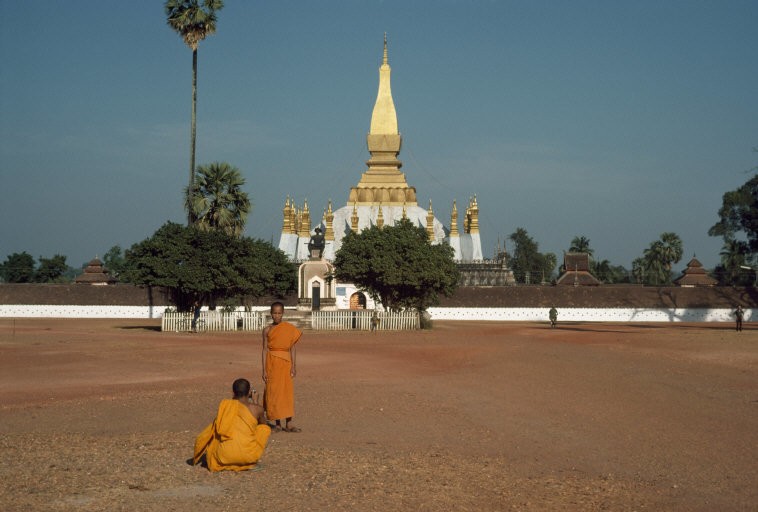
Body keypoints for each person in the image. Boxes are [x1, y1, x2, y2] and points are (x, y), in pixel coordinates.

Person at [193, 378, 271, 472]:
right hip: (248, 456)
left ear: (233, 392)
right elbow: (264, 425)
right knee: (264, 429)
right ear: (249, 392)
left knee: (218, 428)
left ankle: (227, 457)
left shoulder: (226, 406)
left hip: (223, 456)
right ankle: (247, 461)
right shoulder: (257, 409)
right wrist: (255, 402)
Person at [262, 302, 302, 432]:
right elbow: (264, 350)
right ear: (271, 313)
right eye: (274, 313)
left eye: (279, 313)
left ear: (283, 313)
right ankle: (278, 423)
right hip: (272, 363)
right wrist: (263, 369)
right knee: (273, 392)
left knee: (286, 393)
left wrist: (294, 366)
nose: (277, 316)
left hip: (285, 363)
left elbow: (293, 348)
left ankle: (289, 423)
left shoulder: (289, 328)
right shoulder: (267, 330)